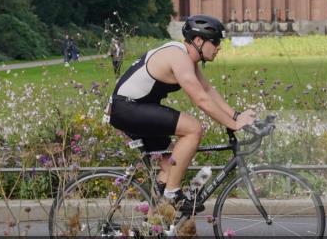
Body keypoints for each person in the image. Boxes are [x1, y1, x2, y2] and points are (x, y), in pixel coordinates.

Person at [107, 15, 256, 214]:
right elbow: (201, 100)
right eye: (216, 42)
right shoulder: (178, 57)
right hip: (128, 108)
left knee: (169, 167)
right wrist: (234, 124)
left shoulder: (187, 58)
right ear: (198, 41)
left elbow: (208, 90)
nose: (219, 47)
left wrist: (236, 115)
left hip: (134, 108)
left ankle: (153, 225)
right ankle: (172, 194)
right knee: (193, 128)